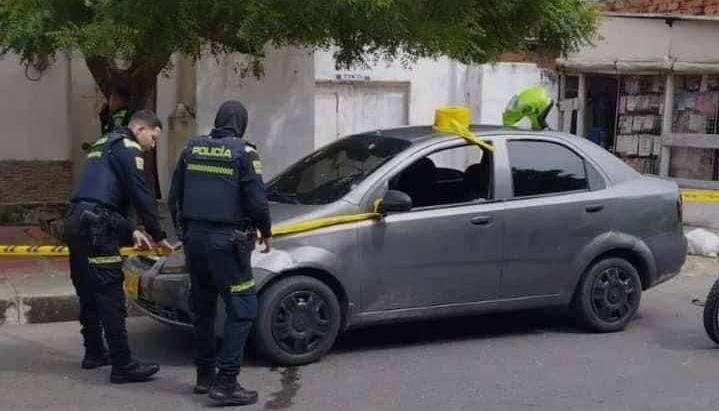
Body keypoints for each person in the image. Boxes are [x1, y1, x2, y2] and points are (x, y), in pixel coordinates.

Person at [168, 100, 272, 406]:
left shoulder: (191, 148)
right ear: (241, 124)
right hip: (227, 243)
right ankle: (226, 382)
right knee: (243, 308)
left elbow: (174, 197)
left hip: (195, 242)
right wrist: (266, 232)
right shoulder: (245, 152)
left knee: (203, 308)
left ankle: (204, 377)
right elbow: (257, 201)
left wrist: (184, 235)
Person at [64, 109, 173, 383]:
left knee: (88, 290)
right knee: (111, 294)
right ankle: (123, 365)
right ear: (140, 130)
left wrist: (133, 229)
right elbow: (140, 193)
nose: (154, 145)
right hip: (98, 228)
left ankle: (94, 353)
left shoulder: (105, 143)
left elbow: (112, 192)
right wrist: (157, 234)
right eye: (154, 137)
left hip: (76, 220)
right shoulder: (130, 148)